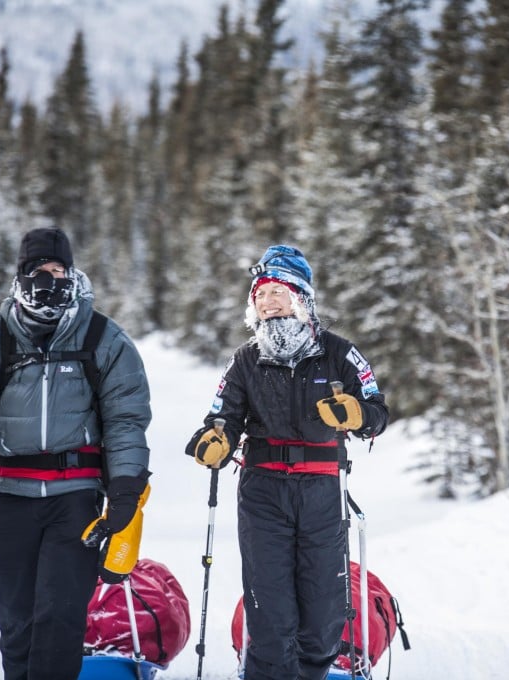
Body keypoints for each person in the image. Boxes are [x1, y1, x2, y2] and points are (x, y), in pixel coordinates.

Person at [0, 226, 152, 680]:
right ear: (21, 276)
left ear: (72, 274)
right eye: (39, 271)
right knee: (17, 618)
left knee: (60, 617)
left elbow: (126, 419)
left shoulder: (104, 338)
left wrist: (127, 489)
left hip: (74, 498)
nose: (49, 280)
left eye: (58, 270)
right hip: (6, 497)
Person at [185, 245, 389, 680]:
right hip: (263, 495)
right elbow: (221, 417)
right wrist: (215, 439)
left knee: (321, 621)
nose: (268, 301)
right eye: (260, 294)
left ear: (302, 297)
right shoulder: (245, 359)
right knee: (271, 618)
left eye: (278, 291)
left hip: (321, 494)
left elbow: (377, 413)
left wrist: (357, 414)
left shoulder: (338, 353)